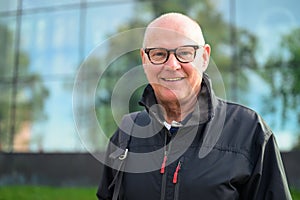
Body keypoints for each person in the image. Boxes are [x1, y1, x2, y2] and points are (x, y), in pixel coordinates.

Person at [97, 12, 292, 200]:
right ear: (144, 59)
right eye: (158, 54)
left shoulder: (248, 130)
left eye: (185, 53)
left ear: (204, 57)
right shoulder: (127, 134)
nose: (172, 64)